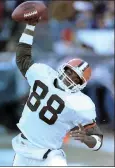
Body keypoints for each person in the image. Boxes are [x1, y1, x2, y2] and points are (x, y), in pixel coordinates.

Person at [12, 19, 103, 166]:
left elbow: (97, 139)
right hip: (23, 148)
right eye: (71, 72)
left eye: (77, 78)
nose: (71, 78)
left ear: (81, 84)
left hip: (50, 156)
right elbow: (22, 58)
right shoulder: (43, 73)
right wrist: (29, 27)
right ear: (64, 68)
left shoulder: (81, 103)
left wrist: (87, 140)